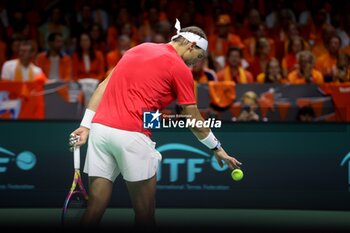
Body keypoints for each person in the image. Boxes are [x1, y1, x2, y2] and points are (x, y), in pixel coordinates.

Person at [69, 19, 242, 228]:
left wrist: (86, 125)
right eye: (198, 57)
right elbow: (193, 118)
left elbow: (104, 85)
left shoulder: (139, 48)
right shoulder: (181, 69)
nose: (196, 63)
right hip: (131, 135)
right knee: (145, 215)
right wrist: (217, 147)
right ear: (191, 46)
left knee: (95, 209)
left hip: (100, 131)